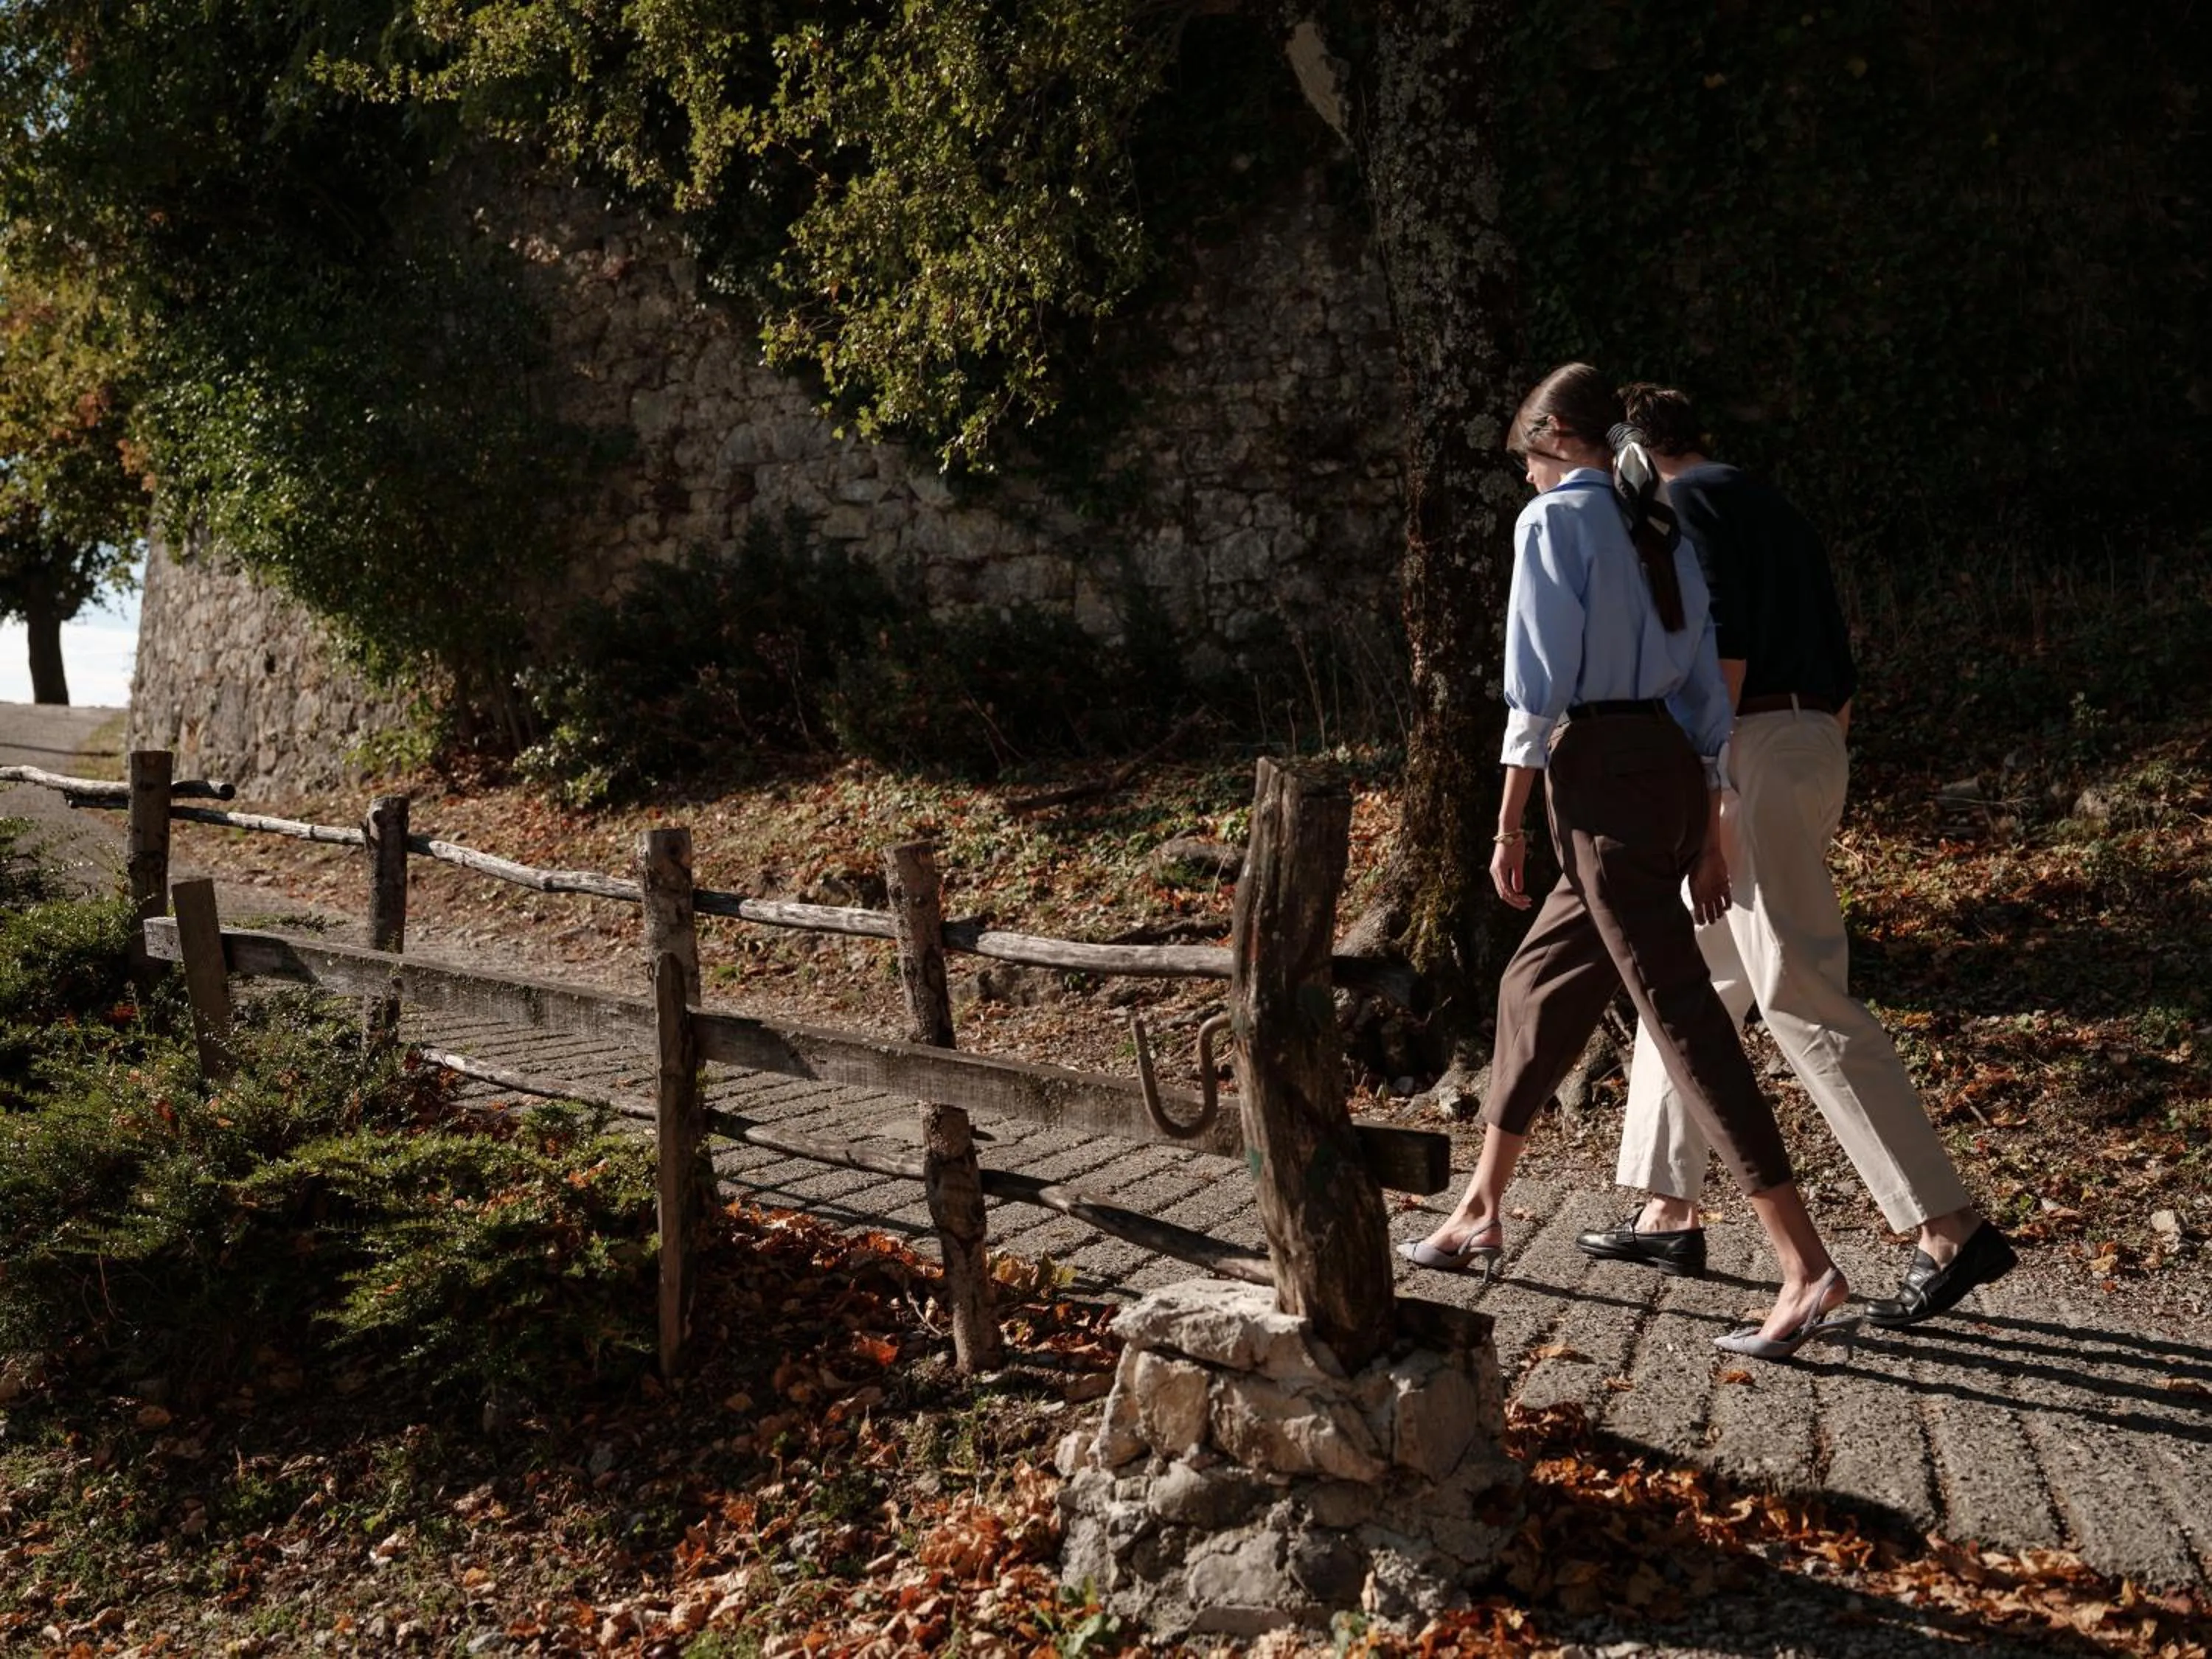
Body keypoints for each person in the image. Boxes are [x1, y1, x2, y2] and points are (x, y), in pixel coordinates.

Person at [1400, 363, 1854, 1362]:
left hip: (1598, 775)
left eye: (1525, 457)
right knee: (1540, 977)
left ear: (1554, 437)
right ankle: (1479, 1204)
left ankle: (1804, 1264)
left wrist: (1507, 821)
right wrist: (1703, 821)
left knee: (1680, 1010)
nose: (1524, 478)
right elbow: (1703, 689)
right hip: (1669, 773)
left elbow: (1536, 688)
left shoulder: (1555, 523)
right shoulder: (1660, 521)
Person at [1572, 383, 2014, 1327]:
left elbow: (1721, 652)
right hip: (1811, 747)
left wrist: (1717, 795)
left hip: (1750, 754)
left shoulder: (1683, 505)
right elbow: (1838, 663)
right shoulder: (1771, 504)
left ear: (1638, 456)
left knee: (1799, 993)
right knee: (1690, 975)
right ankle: (1667, 1204)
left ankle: (1949, 1226)